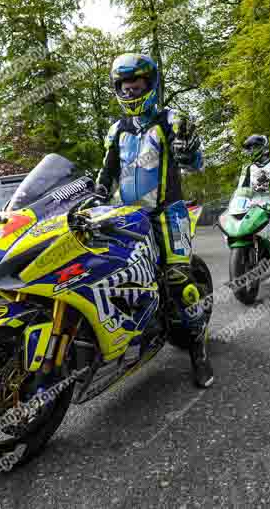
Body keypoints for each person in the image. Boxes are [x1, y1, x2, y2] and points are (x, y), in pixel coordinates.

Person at [95, 53, 212, 388]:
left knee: (179, 283)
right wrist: (97, 193)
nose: (130, 91)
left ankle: (198, 352)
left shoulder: (171, 119)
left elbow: (193, 164)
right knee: (108, 271)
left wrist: (189, 149)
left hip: (168, 214)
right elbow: (107, 171)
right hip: (126, 214)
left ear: (150, 84)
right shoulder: (116, 130)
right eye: (124, 86)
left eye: (137, 84)